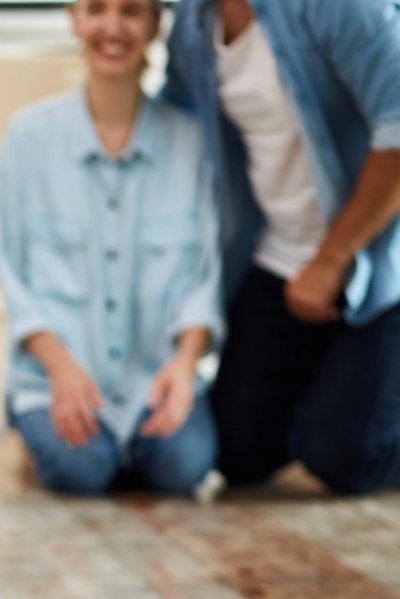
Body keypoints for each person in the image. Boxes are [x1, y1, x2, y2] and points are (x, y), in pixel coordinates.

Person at [163, 0, 400, 494]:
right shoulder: (191, 24)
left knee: (346, 457)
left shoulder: (341, 7)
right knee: (238, 451)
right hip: (281, 255)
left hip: (379, 262)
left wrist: (333, 258)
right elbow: (171, 120)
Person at [0, 0, 225, 498]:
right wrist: (59, 367)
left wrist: (184, 368)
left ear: (156, 24)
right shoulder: (27, 137)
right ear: (73, 18)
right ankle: (40, 429)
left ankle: (132, 446)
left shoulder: (192, 143)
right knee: (81, 472)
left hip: (153, 377)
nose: (112, 27)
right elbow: (11, 270)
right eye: (96, 9)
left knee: (183, 467)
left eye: (132, 11)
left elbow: (206, 273)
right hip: (55, 374)